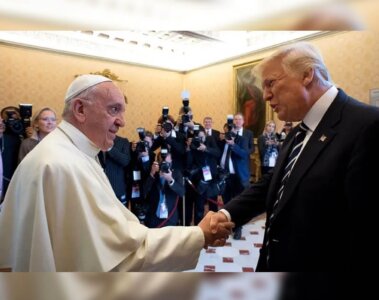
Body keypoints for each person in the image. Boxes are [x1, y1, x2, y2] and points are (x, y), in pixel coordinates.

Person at [0, 74, 233, 272]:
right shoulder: (63, 165)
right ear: (80, 109)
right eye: (114, 110)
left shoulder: (70, 152)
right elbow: (118, 258)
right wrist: (199, 234)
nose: (122, 121)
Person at [208, 41, 379, 271]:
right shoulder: (297, 133)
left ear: (307, 74)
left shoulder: (368, 126)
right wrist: (226, 213)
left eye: (271, 84)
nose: (266, 96)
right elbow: (275, 183)